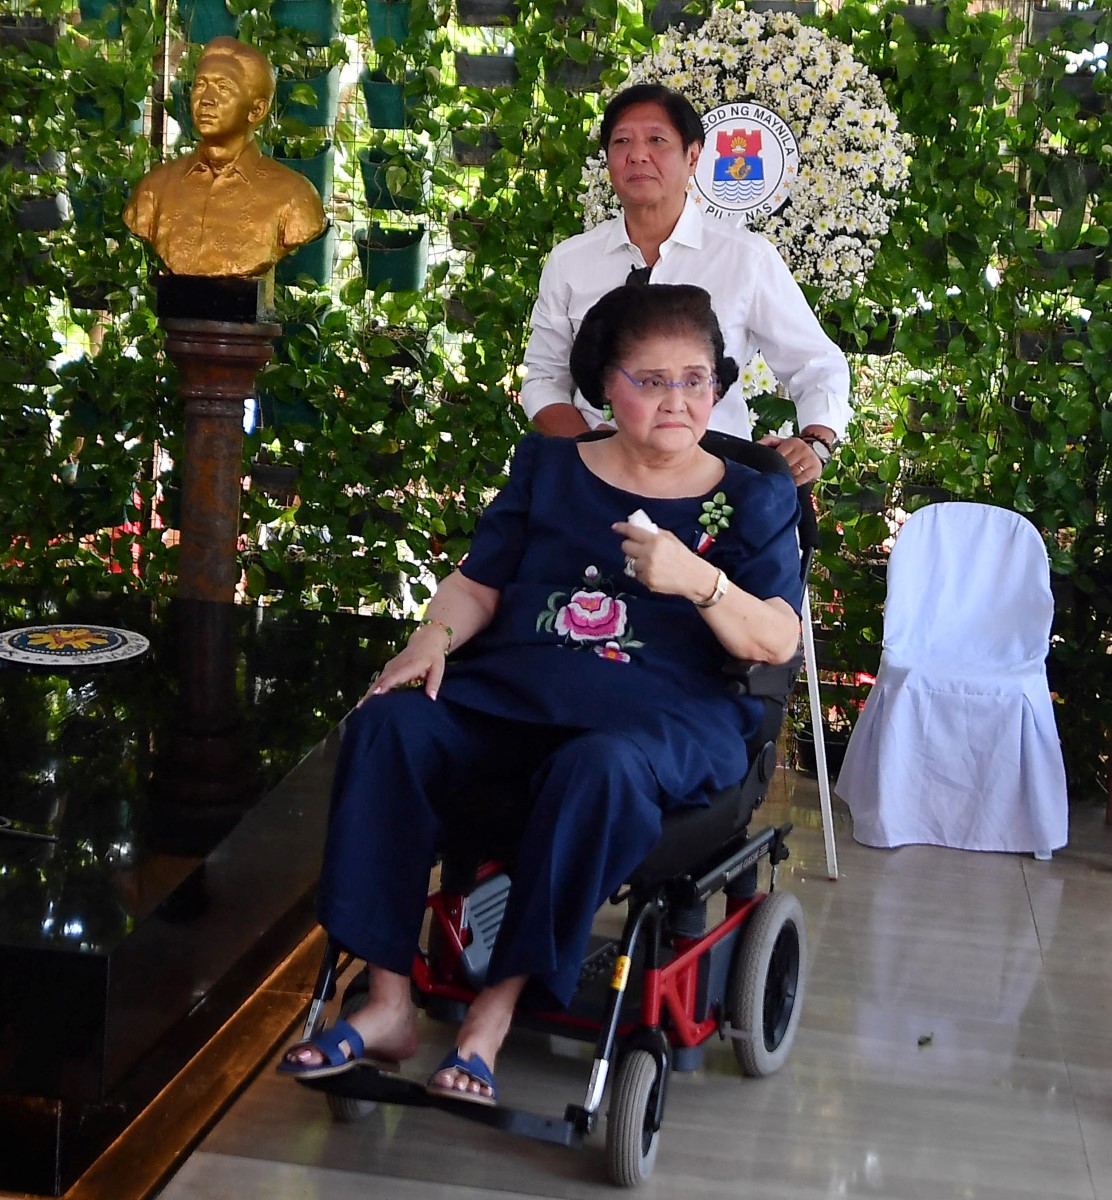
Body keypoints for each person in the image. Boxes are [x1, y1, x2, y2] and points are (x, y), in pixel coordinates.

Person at [278, 284, 802, 1105]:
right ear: (605, 385)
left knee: (595, 768)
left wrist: (697, 578)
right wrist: (431, 638)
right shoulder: (550, 467)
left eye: (697, 380)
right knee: (389, 726)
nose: (679, 400)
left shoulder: (751, 496)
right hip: (517, 696)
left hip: (662, 718)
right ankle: (387, 1004)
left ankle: (490, 1019)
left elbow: (776, 638)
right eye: (651, 379)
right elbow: (477, 584)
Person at [521, 84, 850, 486]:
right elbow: (543, 377)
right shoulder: (570, 261)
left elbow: (816, 363)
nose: (637, 154)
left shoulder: (745, 257)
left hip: (714, 484)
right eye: (622, 141)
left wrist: (816, 441)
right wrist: (594, 447)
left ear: (693, 155)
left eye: (656, 140)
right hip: (592, 481)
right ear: (608, 158)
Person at [123, 37, 326, 277]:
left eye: (224, 88)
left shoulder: (294, 197)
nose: (206, 99)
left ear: (256, 110)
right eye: (200, 85)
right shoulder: (154, 189)